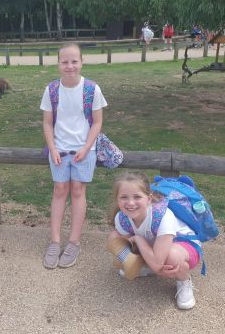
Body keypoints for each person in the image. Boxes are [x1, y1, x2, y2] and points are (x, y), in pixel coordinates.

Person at [40, 43, 107, 269]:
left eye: (74, 61)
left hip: (84, 150)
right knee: (59, 190)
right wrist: (52, 148)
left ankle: (74, 242)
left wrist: (86, 148)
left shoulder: (92, 89)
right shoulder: (51, 90)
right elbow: (47, 122)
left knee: (78, 190)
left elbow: (97, 122)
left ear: (82, 62)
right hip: (59, 149)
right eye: (65, 62)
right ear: (58, 64)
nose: (70, 66)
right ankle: (55, 241)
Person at [107, 172, 200, 310]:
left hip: (184, 245)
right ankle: (146, 268)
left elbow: (157, 263)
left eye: (137, 197)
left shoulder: (162, 216)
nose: (130, 203)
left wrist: (138, 239)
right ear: (117, 199)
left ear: (149, 199)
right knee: (114, 238)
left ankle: (184, 279)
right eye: (124, 197)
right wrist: (133, 258)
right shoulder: (122, 218)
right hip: (156, 246)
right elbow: (128, 246)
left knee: (171, 257)